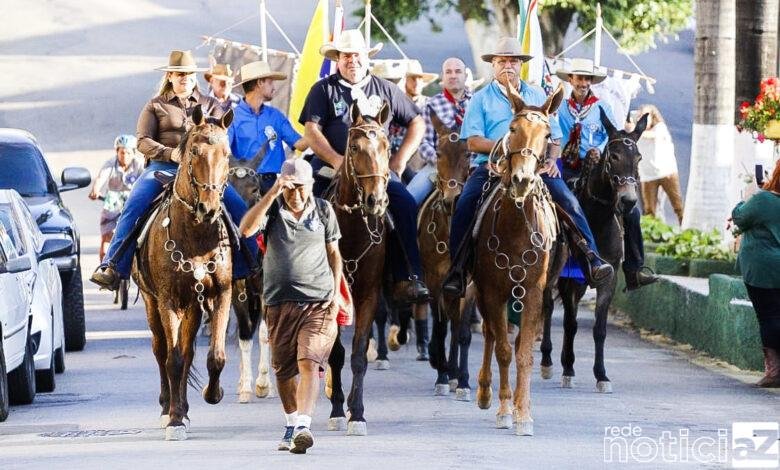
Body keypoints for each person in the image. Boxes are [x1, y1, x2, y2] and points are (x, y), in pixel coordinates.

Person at [443, 38, 614, 297]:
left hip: (534, 168)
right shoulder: (480, 99)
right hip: (491, 167)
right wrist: (508, 146)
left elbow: (555, 136)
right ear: (493, 65)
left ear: (521, 64)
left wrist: (551, 160)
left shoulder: (536, 95)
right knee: (466, 204)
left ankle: (592, 259)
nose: (508, 66)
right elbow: (473, 141)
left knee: (570, 202)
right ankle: (457, 271)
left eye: (513, 61)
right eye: (502, 61)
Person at [90, 50, 258, 290]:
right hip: (162, 168)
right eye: (179, 74)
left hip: (202, 172)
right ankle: (113, 265)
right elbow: (142, 141)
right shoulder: (155, 105)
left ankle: (249, 265)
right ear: (169, 76)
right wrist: (171, 153)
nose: (184, 78)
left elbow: (220, 137)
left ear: (194, 77)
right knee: (134, 205)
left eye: (189, 74)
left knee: (239, 207)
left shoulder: (210, 104)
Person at [299, 29, 429, 305]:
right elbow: (312, 130)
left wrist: (400, 159)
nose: (352, 61)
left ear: (365, 57)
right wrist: (337, 160)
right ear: (338, 58)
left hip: (376, 173)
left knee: (404, 204)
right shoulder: (323, 89)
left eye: (356, 55)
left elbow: (416, 122)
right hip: (329, 167)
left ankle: (408, 276)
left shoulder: (386, 89)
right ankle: (299, 275)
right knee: (303, 206)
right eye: (346, 55)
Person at [239, 158, 342, 453]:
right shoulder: (272, 209)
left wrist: (334, 294)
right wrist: (273, 193)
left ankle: (303, 426)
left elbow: (334, 255)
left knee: (308, 362)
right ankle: (291, 422)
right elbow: (245, 230)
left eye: (300, 188)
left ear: (310, 186)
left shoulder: (323, 211)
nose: (294, 194)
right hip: (278, 303)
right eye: (289, 188)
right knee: (283, 371)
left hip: (318, 303)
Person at [556, 58, 657, 291]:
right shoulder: (560, 108)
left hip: (598, 169)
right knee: (552, 206)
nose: (583, 82)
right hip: (568, 168)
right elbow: (554, 134)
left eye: (587, 78)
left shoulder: (603, 108)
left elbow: (613, 139)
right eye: (579, 78)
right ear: (570, 80)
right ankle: (549, 258)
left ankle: (634, 269)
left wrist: (598, 153)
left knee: (632, 213)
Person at [731, 159, 780, 388]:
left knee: (768, 316)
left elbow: (740, 217)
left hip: (763, 270)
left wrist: (748, 195)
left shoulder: (764, 200)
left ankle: (774, 371)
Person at [228, 61, 307, 193]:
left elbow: (300, 145)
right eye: (270, 82)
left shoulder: (276, 116)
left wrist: (316, 127)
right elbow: (224, 151)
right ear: (259, 83)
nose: (274, 88)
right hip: (242, 185)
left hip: (274, 185)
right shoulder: (232, 117)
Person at [407, 57, 474, 205]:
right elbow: (424, 142)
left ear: (465, 76)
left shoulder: (477, 103)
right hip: (437, 166)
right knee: (408, 199)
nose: (453, 75)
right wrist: (440, 160)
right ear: (443, 77)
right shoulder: (431, 104)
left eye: (458, 71)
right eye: (448, 72)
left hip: (472, 165)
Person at [88, 135, 144, 261]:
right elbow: (101, 177)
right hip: (112, 204)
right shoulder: (110, 164)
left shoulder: (139, 164)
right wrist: (95, 190)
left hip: (132, 203)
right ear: (117, 152)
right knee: (107, 237)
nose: (124, 156)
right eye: (122, 152)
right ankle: (103, 266)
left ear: (134, 153)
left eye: (128, 153)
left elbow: (145, 181)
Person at [632, 104, 684, 224]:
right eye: (641, 116)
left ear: (653, 117)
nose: (643, 119)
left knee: (677, 205)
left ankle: (684, 227)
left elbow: (652, 136)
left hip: (667, 172)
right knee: (649, 210)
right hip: (647, 176)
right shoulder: (636, 132)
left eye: (647, 116)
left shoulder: (660, 128)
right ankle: (653, 235)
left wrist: (636, 130)